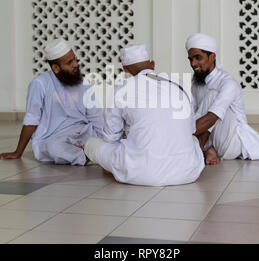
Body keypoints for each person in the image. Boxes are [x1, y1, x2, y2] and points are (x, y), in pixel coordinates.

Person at [84, 44, 205, 186]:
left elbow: (111, 137)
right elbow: (190, 130)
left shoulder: (122, 88)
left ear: (125, 70)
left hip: (142, 173)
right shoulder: (180, 85)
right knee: (193, 141)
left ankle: (112, 168)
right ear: (152, 65)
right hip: (188, 172)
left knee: (92, 144)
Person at [0, 38, 104, 166]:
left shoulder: (83, 82)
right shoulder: (40, 84)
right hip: (56, 137)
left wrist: (107, 139)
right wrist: (18, 152)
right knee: (54, 148)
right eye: (69, 62)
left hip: (84, 132)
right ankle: (89, 156)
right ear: (56, 68)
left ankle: (96, 152)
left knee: (113, 129)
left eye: (74, 59)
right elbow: (32, 118)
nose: (75, 64)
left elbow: (96, 116)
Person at [186, 33, 259, 165]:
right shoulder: (197, 83)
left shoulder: (228, 83)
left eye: (198, 58)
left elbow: (211, 119)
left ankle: (197, 150)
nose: (193, 64)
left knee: (213, 99)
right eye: (190, 59)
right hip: (214, 139)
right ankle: (208, 149)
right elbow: (193, 114)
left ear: (212, 56)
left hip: (233, 143)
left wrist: (180, 134)